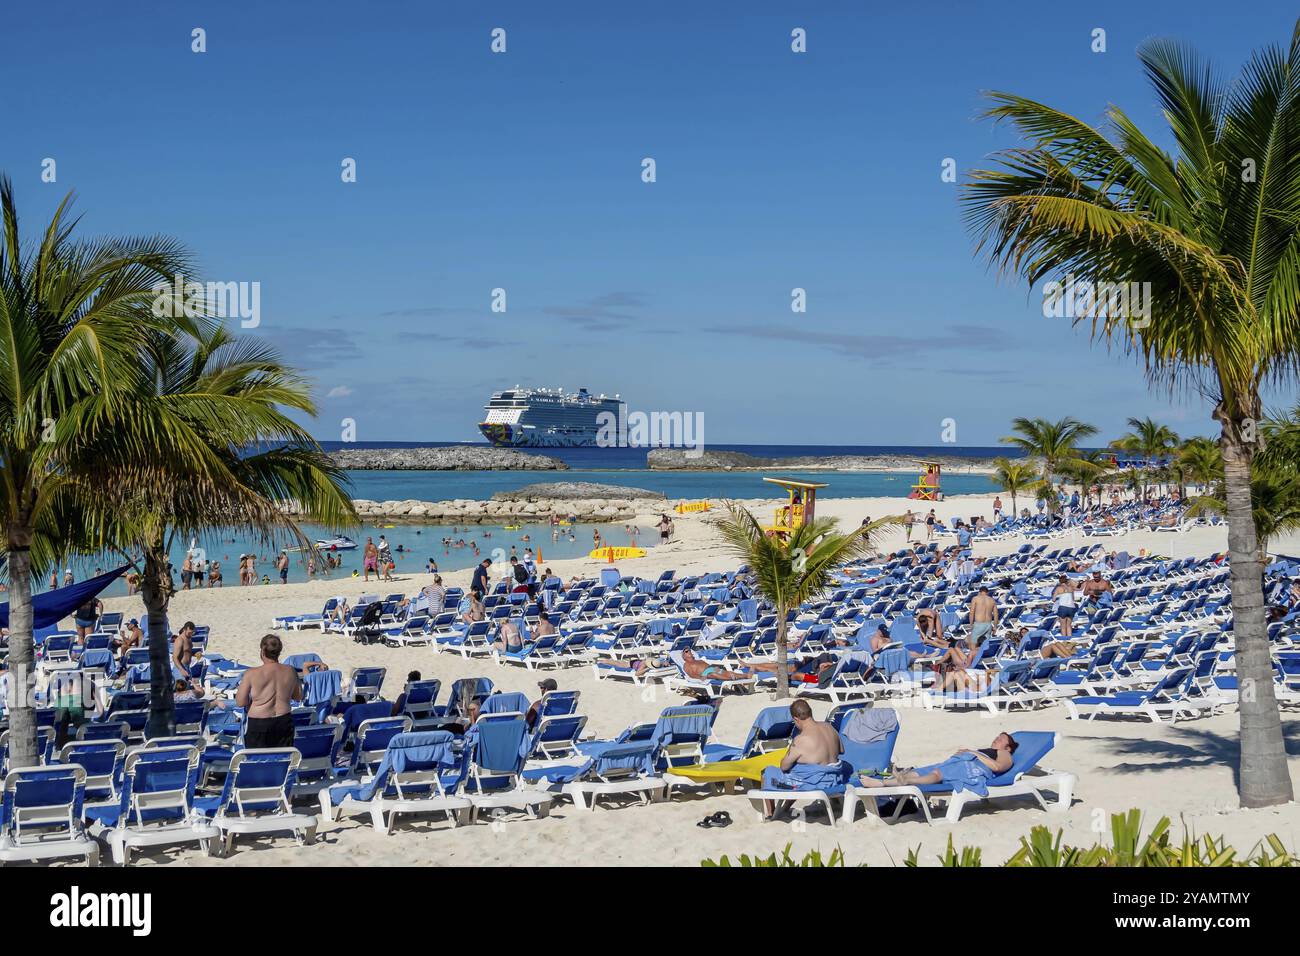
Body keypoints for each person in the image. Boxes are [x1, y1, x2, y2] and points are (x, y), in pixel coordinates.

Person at [759, 699, 845, 819]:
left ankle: (770, 814)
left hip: (815, 783)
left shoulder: (801, 739)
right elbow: (841, 750)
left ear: (796, 719)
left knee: (767, 773)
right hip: (834, 779)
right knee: (800, 772)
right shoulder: (830, 728)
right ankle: (784, 809)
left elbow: (784, 766)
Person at [859, 732, 1018, 791]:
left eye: (1001, 739)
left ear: (1008, 747)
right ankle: (883, 783)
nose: (996, 739)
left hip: (974, 766)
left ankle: (905, 781)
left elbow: (997, 767)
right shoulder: (991, 750)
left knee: (938, 774)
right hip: (961, 761)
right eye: (996, 737)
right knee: (920, 771)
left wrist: (972, 752)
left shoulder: (1004, 754)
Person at [234, 634, 302, 748]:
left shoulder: (251, 673)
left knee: (257, 761)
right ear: (279, 651)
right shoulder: (290, 671)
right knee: (282, 759)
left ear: (262, 651)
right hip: (283, 720)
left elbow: (240, 702)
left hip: (259, 722)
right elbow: (298, 696)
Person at [967, 586, 998, 650]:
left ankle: (974, 658)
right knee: (986, 646)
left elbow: (971, 612)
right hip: (988, 625)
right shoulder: (992, 600)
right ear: (987, 592)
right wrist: (995, 626)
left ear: (980, 592)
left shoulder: (975, 598)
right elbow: (996, 615)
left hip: (978, 624)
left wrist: (971, 624)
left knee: (973, 645)